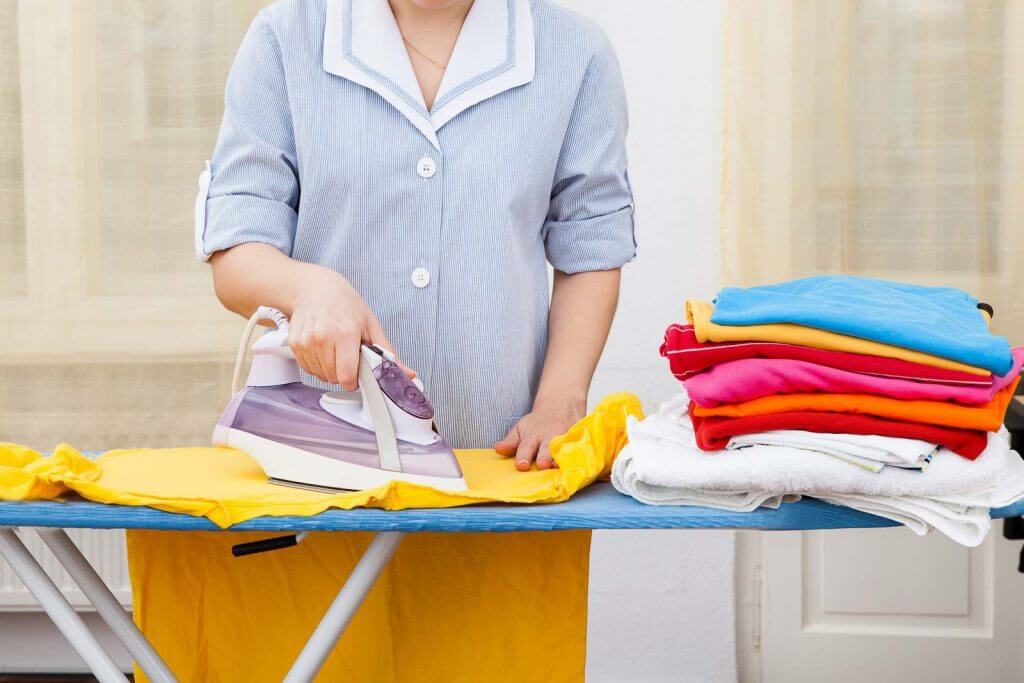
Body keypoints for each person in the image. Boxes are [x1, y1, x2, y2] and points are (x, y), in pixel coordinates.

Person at [196, 0, 635, 470]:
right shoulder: (285, 37)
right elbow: (236, 249)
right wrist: (306, 289)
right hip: (318, 469)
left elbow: (589, 246)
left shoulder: (575, 51)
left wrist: (561, 401)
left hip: (504, 458)